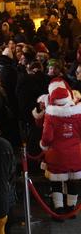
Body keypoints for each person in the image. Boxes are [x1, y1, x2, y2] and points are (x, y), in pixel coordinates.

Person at [39, 78, 81, 218]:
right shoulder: (77, 112)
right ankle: (71, 208)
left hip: (56, 154)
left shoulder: (51, 115)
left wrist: (43, 146)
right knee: (73, 181)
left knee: (56, 181)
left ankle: (59, 208)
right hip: (76, 153)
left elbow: (47, 137)